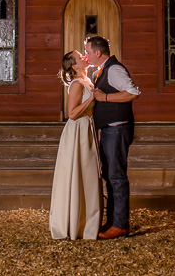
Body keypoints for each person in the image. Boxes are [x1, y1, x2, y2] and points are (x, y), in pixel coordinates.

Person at [85, 35, 140, 240]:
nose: (86, 56)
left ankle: (120, 225)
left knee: (116, 177)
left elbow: (133, 92)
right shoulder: (103, 69)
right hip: (109, 129)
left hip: (117, 130)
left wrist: (105, 97)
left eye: (88, 52)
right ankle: (113, 220)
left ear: (98, 53)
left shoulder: (115, 69)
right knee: (110, 175)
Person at [49, 50, 103, 240]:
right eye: (81, 57)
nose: (84, 57)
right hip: (77, 131)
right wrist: (91, 99)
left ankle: (88, 222)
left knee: (88, 175)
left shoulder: (89, 80)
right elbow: (72, 114)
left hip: (88, 129)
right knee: (78, 172)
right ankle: (73, 224)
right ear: (74, 65)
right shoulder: (76, 84)